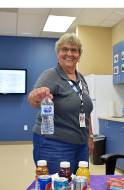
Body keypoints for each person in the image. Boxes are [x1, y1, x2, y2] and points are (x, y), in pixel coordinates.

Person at [27, 33, 94, 174]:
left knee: (80, 184)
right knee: (58, 188)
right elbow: (33, 100)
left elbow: (85, 110)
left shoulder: (80, 78)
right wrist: (36, 97)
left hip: (81, 145)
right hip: (55, 144)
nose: (69, 53)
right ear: (58, 54)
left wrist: (90, 137)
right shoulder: (50, 75)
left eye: (74, 50)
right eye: (64, 49)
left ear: (79, 56)